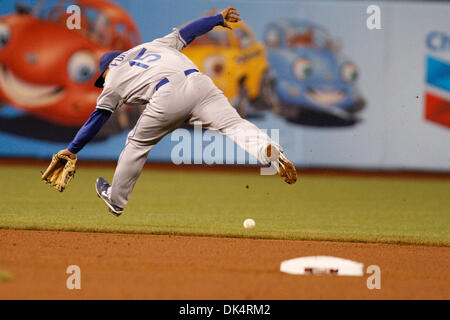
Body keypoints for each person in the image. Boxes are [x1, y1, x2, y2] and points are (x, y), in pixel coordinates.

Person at [57, 7, 297, 216]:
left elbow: (98, 118)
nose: (102, 82)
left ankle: (116, 200)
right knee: (234, 124)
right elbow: (188, 32)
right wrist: (216, 19)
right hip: (200, 83)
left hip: (168, 95)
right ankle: (269, 152)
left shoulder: (113, 79)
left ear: (106, 69)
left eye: (101, 78)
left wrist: (72, 149)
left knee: (137, 145)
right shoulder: (151, 46)